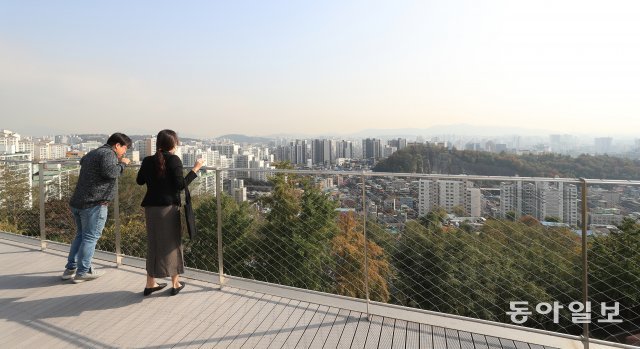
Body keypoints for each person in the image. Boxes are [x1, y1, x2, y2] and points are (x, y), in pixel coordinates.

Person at [136, 129, 203, 296]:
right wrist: (195, 169)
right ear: (174, 143)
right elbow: (180, 185)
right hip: (168, 209)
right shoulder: (174, 160)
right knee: (173, 245)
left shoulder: (148, 160)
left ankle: (150, 283)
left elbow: (139, 181)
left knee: (154, 244)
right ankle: (175, 283)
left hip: (151, 209)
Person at [61, 133, 132, 283]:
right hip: (94, 203)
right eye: (125, 148)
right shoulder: (109, 153)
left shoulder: (93, 152)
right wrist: (123, 163)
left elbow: (83, 163)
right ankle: (83, 271)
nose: (124, 152)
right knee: (90, 237)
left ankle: (70, 269)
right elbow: (111, 172)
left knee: (81, 236)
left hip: (78, 201)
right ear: (117, 145)